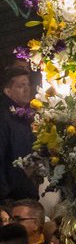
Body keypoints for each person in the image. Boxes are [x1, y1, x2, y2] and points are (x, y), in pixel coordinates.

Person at [0, 66, 36, 201]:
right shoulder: (4, 116)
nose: (27, 89)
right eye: (21, 86)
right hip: (11, 197)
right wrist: (4, 197)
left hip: (23, 190)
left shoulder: (23, 115)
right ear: (8, 91)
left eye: (27, 85)